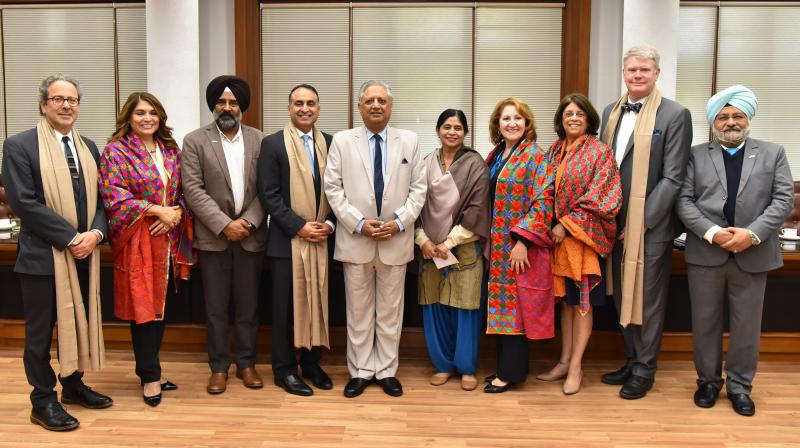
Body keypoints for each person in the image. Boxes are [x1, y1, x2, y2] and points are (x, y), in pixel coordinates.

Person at [2, 74, 112, 431]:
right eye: (59, 99)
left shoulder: (89, 147)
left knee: (79, 323)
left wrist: (95, 234)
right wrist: (71, 237)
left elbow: (102, 199)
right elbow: (24, 202)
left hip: (84, 255)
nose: (67, 105)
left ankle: (73, 385)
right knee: (39, 335)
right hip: (42, 259)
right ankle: (42, 400)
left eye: (73, 99)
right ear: (43, 104)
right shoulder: (19, 146)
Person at [676, 85, 793, 416]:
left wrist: (752, 234)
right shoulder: (696, 154)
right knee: (705, 323)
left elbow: (783, 199)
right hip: (706, 253)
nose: (730, 122)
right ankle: (708, 383)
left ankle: (741, 387)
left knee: (746, 326)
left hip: (753, 254)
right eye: (723, 116)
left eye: (737, 115)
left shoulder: (773, 153)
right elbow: (684, 201)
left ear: (748, 118)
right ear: (714, 122)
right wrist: (712, 232)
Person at [599, 44, 693, 400]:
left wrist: (645, 220)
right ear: (624, 74)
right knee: (623, 295)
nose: (637, 75)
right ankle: (631, 358)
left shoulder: (674, 114)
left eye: (645, 70)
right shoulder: (611, 112)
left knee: (648, 299)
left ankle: (645, 369)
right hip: (613, 224)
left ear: (657, 74)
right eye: (631, 70)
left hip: (650, 227)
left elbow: (674, 177)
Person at [324, 80, 426, 398]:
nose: (376, 105)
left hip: (395, 240)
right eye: (370, 101)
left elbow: (419, 190)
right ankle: (360, 371)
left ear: (391, 106)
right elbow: (333, 188)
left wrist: (398, 223)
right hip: (357, 240)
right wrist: (357, 223)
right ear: (360, 106)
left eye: (382, 100)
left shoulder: (409, 141)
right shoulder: (341, 141)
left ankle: (385, 371)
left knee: (390, 312)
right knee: (357, 313)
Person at [99, 92, 193, 407]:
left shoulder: (169, 149)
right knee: (142, 308)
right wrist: (156, 210)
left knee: (160, 306)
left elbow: (184, 190)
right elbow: (114, 197)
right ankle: (150, 376)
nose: (147, 118)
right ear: (128, 117)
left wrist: (175, 212)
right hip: (138, 238)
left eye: (152, 112)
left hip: (167, 239)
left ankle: (149, 367)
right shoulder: (116, 151)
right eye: (140, 113)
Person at [182, 75, 267, 395]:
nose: (227, 107)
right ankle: (219, 367)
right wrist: (224, 224)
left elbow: (267, 190)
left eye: (233, 102)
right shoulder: (195, 140)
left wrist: (248, 222)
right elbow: (193, 189)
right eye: (221, 102)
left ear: (242, 106)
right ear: (213, 106)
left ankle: (246, 363)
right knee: (216, 308)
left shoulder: (260, 139)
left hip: (251, 236)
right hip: (213, 238)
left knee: (248, 307)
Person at [537, 93, 622, 395]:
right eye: (568, 114)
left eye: (579, 114)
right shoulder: (553, 151)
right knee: (567, 305)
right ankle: (562, 361)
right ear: (561, 119)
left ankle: (576, 367)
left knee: (583, 304)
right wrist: (547, 224)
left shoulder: (600, 152)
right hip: (556, 241)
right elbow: (542, 190)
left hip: (584, 239)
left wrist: (566, 224)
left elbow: (604, 196)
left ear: (589, 120)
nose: (573, 118)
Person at [257, 84, 335, 396]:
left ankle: (312, 363)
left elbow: (338, 191)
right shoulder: (273, 144)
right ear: (289, 108)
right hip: (286, 242)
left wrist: (328, 224)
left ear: (318, 108)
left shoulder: (330, 144)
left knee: (319, 302)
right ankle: (284, 369)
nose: (305, 108)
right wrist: (299, 226)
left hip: (323, 238)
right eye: (298, 103)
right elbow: (269, 194)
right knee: (285, 309)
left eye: (311, 103)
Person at [483, 97, 555, 394]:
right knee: (502, 307)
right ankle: (504, 368)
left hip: (517, 247)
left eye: (518, 118)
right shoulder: (498, 154)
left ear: (527, 124)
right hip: (496, 246)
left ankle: (511, 373)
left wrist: (523, 240)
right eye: (506, 119)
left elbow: (543, 200)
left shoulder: (535, 157)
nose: (512, 123)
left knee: (515, 308)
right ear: (497, 125)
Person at [416, 109, 490, 392]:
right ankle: (443, 365)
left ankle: (467, 367)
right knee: (434, 307)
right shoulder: (424, 163)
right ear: (437, 130)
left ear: (465, 133)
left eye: (458, 128)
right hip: (428, 249)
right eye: (447, 126)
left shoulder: (475, 165)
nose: (452, 132)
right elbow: (414, 203)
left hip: (463, 249)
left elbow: (478, 210)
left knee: (465, 308)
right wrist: (423, 240)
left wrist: (448, 243)